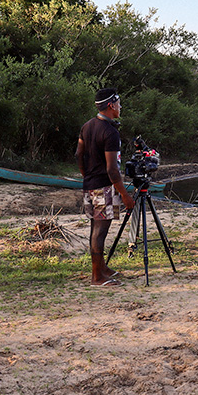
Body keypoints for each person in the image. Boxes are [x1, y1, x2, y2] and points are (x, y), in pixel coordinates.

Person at [75, 88, 136, 286]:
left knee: (95, 227)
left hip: (90, 184)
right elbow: (112, 170)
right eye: (118, 104)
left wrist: (87, 176)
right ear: (111, 106)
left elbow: (78, 154)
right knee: (100, 231)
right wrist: (125, 196)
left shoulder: (87, 126)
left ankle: (101, 268)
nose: (120, 107)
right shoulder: (110, 133)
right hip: (103, 187)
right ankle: (97, 277)